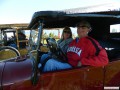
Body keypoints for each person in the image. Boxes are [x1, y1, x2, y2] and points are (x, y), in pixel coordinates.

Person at [40, 21, 109, 72]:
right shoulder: (74, 41)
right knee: (45, 57)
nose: (80, 29)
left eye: (83, 27)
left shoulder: (91, 42)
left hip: (74, 69)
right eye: (78, 27)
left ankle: (41, 85)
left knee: (50, 63)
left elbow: (104, 60)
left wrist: (83, 62)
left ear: (89, 29)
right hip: (66, 62)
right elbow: (68, 54)